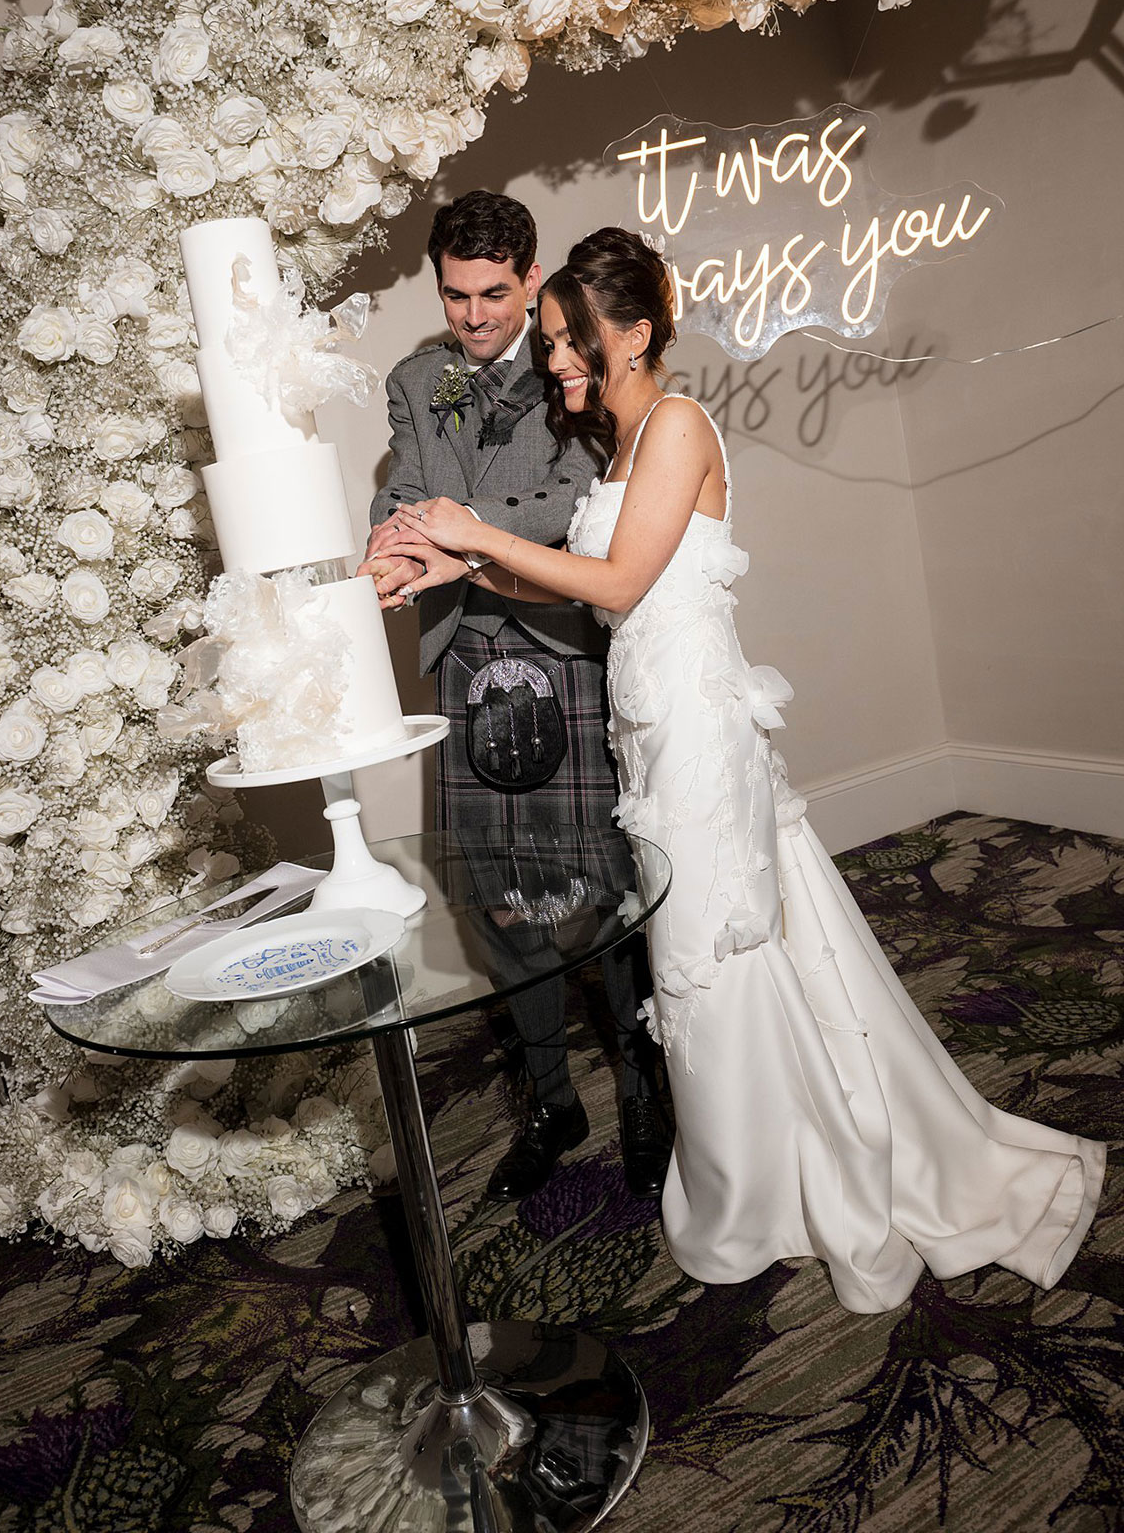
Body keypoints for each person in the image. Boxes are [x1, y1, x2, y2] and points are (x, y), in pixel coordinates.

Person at [384, 225, 1106, 1313]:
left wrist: (475, 530)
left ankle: (761, 1192)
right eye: (550, 341)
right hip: (652, 727)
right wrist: (460, 565)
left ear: (635, 331)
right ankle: (761, 1166)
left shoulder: (675, 426)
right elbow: (581, 583)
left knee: (705, 951)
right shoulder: (617, 448)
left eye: (573, 339)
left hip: (699, 733)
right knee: (715, 943)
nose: (555, 360)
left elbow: (622, 581)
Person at [358, 192, 670, 1201]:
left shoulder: (569, 357)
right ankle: (550, 1098)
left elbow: (583, 501)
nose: (477, 316)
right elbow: (403, 486)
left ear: (531, 280)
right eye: (457, 296)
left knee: (599, 886)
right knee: (494, 895)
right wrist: (398, 536)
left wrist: (459, 529)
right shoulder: (414, 378)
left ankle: (639, 1085)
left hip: (560, 649)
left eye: (497, 293)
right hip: (461, 664)